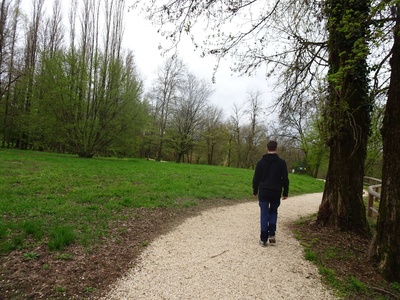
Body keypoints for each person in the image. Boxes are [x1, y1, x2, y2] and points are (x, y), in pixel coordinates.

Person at [252, 140, 289, 247]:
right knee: (273, 211)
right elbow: (285, 179)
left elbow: (256, 178)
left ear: (266, 148)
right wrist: (285, 192)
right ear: (276, 149)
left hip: (263, 191)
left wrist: (255, 190)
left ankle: (263, 239)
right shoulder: (281, 163)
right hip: (275, 192)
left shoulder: (260, 162)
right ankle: (272, 234)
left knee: (264, 213)